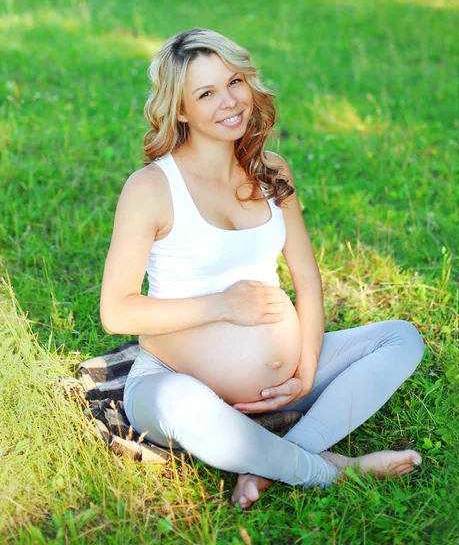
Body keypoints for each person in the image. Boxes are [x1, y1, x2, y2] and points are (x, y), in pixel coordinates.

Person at [100, 28, 425, 510]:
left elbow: (308, 283)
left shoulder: (271, 169)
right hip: (173, 382)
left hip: (284, 384)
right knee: (183, 408)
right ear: (181, 109)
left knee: (401, 338)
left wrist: (305, 368)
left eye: (234, 82)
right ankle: (333, 471)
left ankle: (273, 460)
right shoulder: (150, 188)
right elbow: (117, 313)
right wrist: (223, 305)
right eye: (206, 93)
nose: (229, 101)